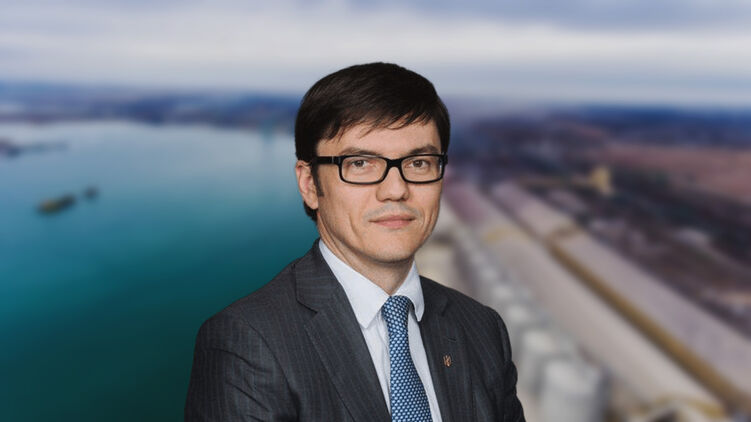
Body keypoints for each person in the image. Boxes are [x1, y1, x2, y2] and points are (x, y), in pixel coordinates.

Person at [185, 62, 524, 422]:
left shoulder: (482, 328)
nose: (396, 189)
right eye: (360, 163)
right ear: (310, 184)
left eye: (419, 163)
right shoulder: (248, 342)